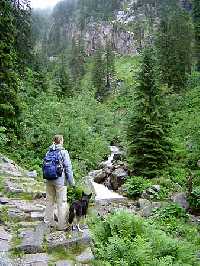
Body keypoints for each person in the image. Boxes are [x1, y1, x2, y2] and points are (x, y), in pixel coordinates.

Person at [44, 135, 75, 230]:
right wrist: (72, 183)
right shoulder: (63, 152)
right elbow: (68, 169)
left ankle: (49, 222)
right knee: (61, 203)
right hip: (60, 181)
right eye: (63, 140)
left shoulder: (48, 152)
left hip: (49, 180)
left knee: (49, 201)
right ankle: (62, 225)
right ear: (61, 141)